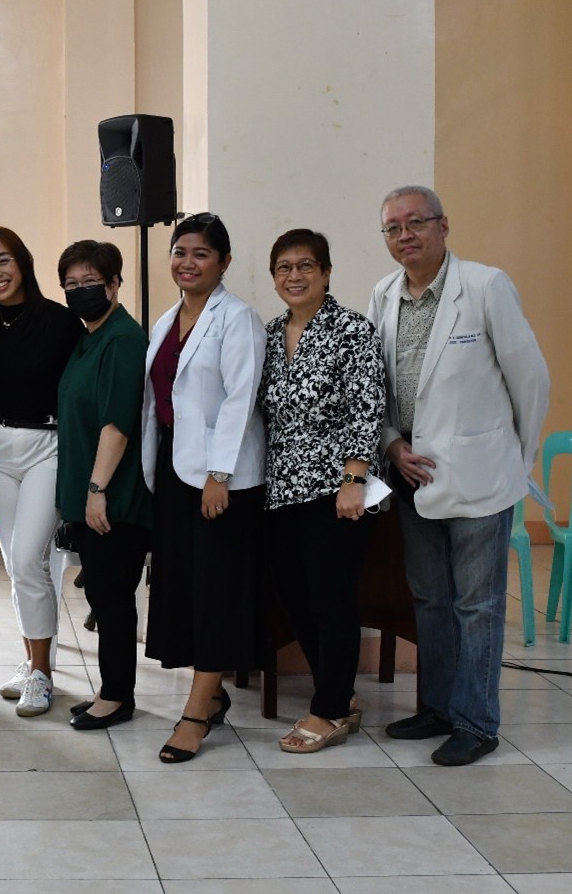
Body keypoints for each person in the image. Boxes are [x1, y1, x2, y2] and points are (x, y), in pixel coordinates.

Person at [366, 185, 549, 766]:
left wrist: (515, 461)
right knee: (430, 600)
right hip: (410, 476)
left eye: (415, 223)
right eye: (393, 228)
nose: (405, 236)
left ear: (444, 226)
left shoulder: (486, 286)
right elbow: (376, 388)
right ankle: (438, 708)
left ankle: (476, 721)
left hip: (480, 477)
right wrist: (392, 446)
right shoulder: (383, 295)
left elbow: (531, 380)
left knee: (478, 603)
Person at [141, 212, 266, 763]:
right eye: (180, 252)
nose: (187, 263)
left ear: (224, 263)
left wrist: (220, 475)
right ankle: (211, 697)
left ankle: (195, 714)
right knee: (185, 588)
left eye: (200, 255)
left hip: (221, 479)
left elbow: (240, 401)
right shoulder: (168, 320)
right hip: (174, 469)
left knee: (214, 593)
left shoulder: (237, 319)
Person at [259, 229, 386, 752]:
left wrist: (354, 479)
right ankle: (340, 693)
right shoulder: (269, 334)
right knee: (295, 597)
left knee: (332, 600)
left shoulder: (352, 330)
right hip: (280, 488)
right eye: (284, 267)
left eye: (306, 265)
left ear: (327, 272)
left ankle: (330, 709)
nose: (295, 275)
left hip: (336, 490)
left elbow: (367, 407)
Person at [0, 228, 83, 717]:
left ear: (24, 262)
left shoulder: (60, 321)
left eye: (4, 260)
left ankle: (42, 674)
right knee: (17, 566)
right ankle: (33, 658)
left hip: (47, 446)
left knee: (29, 556)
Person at [54, 240, 153, 733]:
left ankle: (118, 696)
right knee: (101, 593)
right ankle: (110, 687)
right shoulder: (88, 335)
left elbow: (117, 423)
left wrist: (96, 490)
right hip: (92, 493)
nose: (80, 292)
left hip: (116, 495)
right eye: (71, 285)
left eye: (90, 283)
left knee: (112, 597)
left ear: (115, 283)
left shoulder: (122, 339)